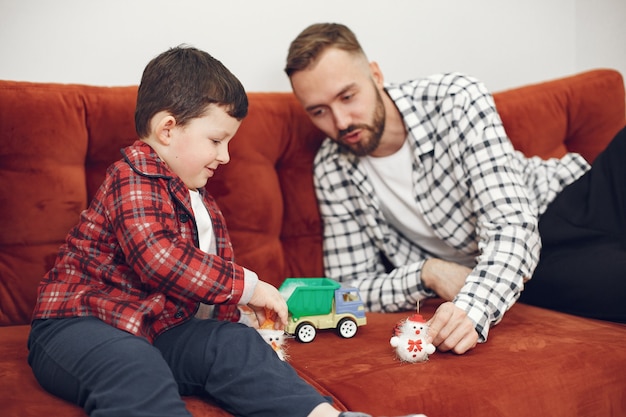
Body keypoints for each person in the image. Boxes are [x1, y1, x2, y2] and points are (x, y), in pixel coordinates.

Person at [27, 45, 424, 417]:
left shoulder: (201, 200)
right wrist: (251, 287)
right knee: (133, 365)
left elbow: (204, 283)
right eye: (216, 140)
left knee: (233, 343)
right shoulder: (132, 178)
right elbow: (160, 260)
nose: (226, 156)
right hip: (79, 325)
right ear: (167, 129)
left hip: (157, 329)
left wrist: (241, 313)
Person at [284, 23, 626, 355]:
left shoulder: (454, 98)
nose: (341, 121)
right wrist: (426, 273)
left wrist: (471, 310)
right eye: (319, 111)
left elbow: (511, 224)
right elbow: (351, 284)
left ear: (375, 74)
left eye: (347, 96)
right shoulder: (332, 168)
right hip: (529, 269)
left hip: (564, 201)